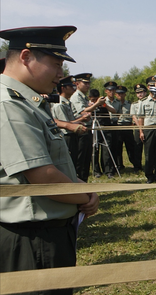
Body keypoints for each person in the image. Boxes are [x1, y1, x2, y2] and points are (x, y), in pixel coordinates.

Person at [0, 26, 99, 291]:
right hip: (32, 239)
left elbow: (56, 164)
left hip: (47, 233)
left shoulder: (28, 102)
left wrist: (84, 189)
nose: (61, 74)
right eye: (55, 64)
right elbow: (42, 176)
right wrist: (86, 196)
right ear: (25, 57)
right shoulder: (8, 104)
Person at [69, 72, 106, 181]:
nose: (88, 85)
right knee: (80, 160)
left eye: (88, 83)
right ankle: (79, 182)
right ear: (77, 83)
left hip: (87, 128)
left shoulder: (83, 97)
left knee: (86, 158)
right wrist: (97, 104)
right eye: (85, 83)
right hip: (80, 129)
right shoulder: (76, 96)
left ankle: (84, 181)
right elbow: (83, 111)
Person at [51, 75, 89, 168]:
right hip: (66, 136)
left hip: (72, 135)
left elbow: (70, 121)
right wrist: (80, 120)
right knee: (70, 162)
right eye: (71, 86)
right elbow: (65, 124)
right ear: (63, 88)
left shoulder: (67, 103)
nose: (73, 88)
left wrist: (78, 122)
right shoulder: (60, 104)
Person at [136, 85, 156, 183]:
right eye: (153, 91)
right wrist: (141, 131)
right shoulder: (143, 102)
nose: (154, 93)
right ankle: (149, 175)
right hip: (148, 129)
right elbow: (141, 118)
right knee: (149, 153)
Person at [114, 85, 137, 171]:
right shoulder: (114, 104)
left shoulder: (129, 104)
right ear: (116, 94)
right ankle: (119, 165)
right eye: (118, 94)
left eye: (122, 93)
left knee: (130, 147)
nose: (120, 95)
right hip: (118, 126)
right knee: (118, 147)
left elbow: (132, 115)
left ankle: (135, 163)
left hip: (127, 126)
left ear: (125, 94)